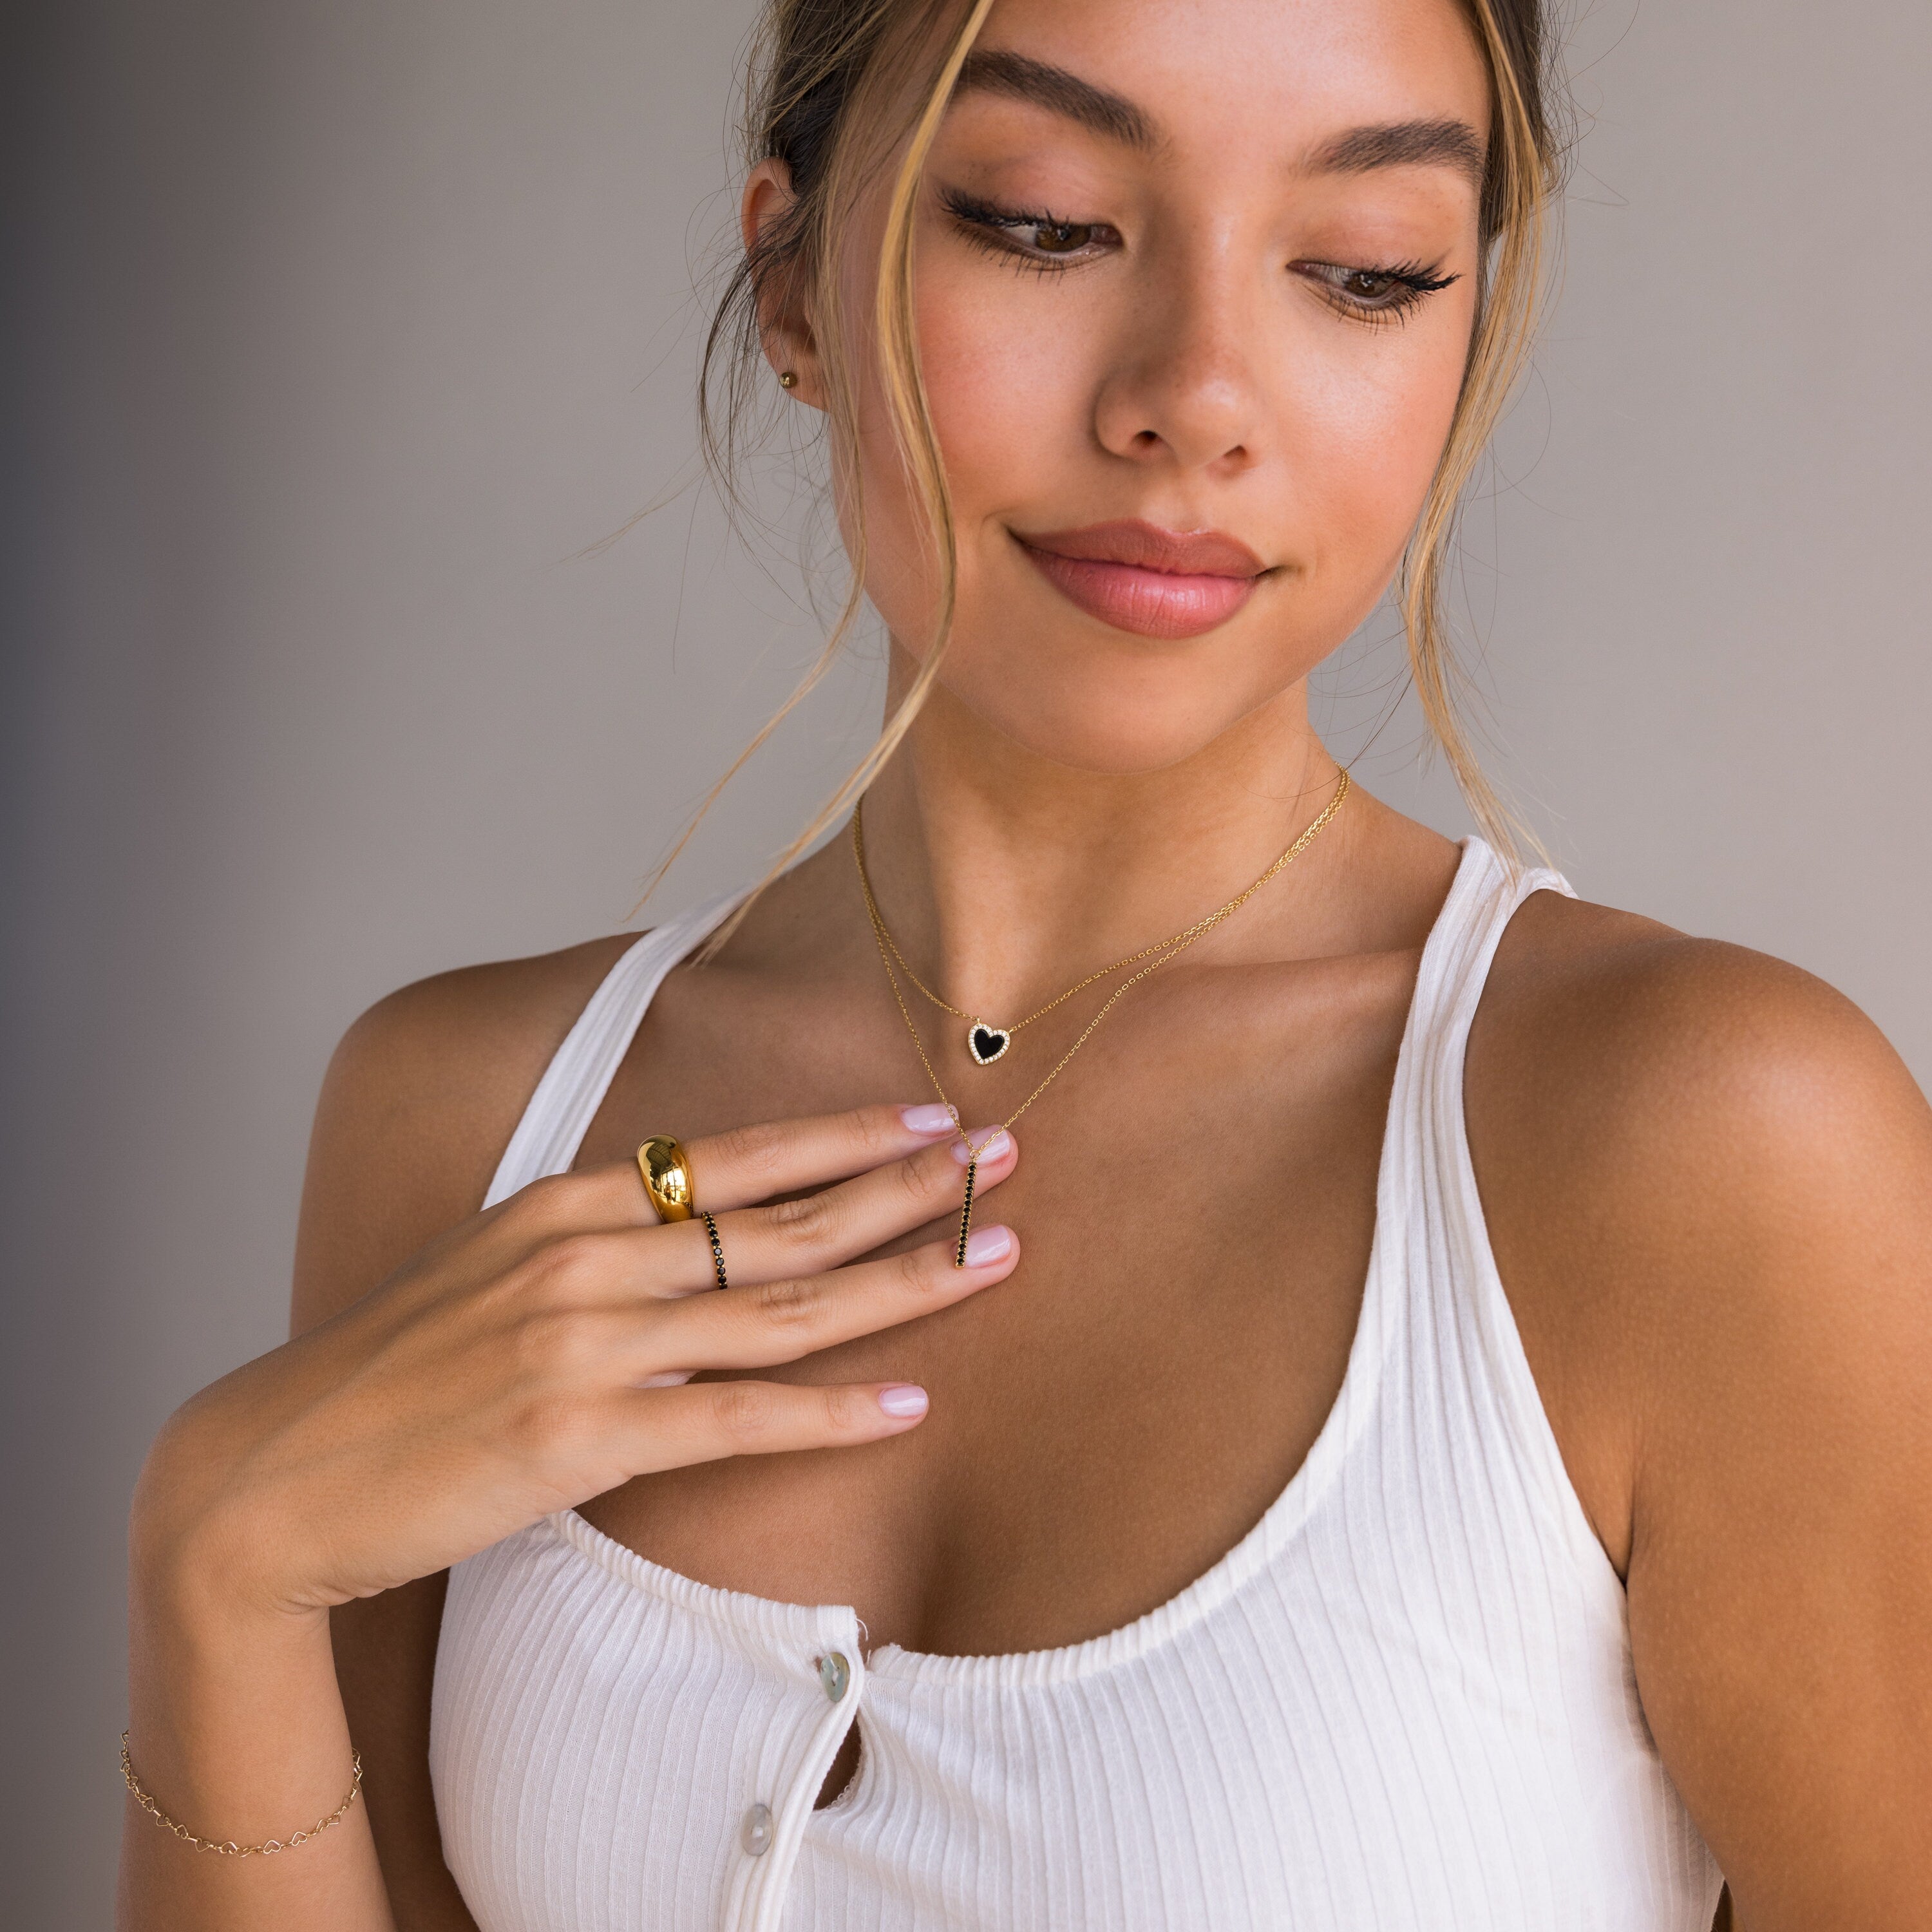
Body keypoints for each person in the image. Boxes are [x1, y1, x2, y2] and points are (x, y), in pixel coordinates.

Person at [117, 0, 1932, 1926]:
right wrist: (218, 1560)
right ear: (796, 291)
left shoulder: (1704, 1146)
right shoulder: (465, 1119)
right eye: (1050, 223)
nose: (1198, 399)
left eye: (1366, 271)